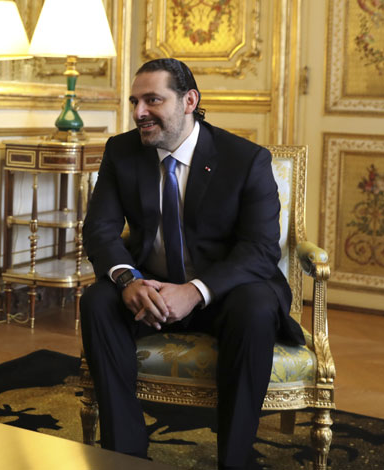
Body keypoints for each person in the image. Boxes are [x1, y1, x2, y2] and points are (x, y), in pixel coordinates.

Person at [80, 58, 305, 469]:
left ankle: (234, 461)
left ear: (189, 101)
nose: (138, 113)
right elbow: (99, 230)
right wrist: (128, 279)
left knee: (256, 306)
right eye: (135, 101)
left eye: (152, 100)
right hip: (150, 290)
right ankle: (126, 455)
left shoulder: (245, 159)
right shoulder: (122, 151)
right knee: (97, 301)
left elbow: (259, 249)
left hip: (224, 295)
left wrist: (194, 292)